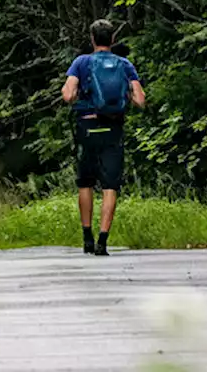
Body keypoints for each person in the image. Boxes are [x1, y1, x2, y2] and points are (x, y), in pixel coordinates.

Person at [61, 20, 146, 256]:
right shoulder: (124, 64)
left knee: (85, 182)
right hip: (113, 129)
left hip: (87, 126)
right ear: (112, 39)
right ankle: (102, 241)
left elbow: (68, 95)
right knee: (110, 185)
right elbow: (140, 100)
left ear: (92, 39)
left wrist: (78, 93)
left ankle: (86, 237)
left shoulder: (81, 62)